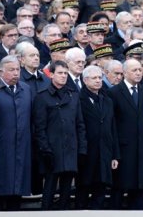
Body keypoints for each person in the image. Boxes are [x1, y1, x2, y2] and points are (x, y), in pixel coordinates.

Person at [33, 60, 87, 210]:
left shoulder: (73, 95)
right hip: (52, 150)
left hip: (70, 149)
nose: (63, 76)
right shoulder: (42, 97)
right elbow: (39, 128)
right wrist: (45, 150)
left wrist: (82, 149)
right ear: (51, 74)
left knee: (66, 190)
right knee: (49, 188)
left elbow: (80, 124)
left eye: (65, 73)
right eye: (60, 73)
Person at [108, 58, 143, 209]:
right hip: (122, 150)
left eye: (139, 70)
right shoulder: (114, 92)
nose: (138, 73)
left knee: (139, 189)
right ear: (125, 72)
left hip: (141, 149)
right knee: (118, 189)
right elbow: (112, 124)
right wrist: (114, 152)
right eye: (134, 70)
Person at [76, 65, 119, 209]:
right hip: (86, 153)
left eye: (100, 78)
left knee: (100, 189)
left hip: (104, 153)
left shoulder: (107, 100)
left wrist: (114, 155)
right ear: (85, 80)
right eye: (94, 78)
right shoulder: (78, 99)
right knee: (83, 189)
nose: (98, 81)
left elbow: (113, 129)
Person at [0, 56, 32, 211]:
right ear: (0, 71)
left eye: (18, 70)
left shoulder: (26, 89)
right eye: (11, 70)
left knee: (17, 190)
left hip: (22, 146)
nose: (16, 73)